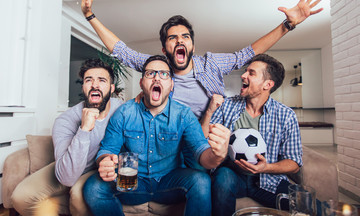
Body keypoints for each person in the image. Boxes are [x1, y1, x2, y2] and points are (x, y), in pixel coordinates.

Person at [76, 0, 325, 119]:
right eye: (173, 38)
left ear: (192, 45)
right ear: (165, 49)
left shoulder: (212, 63)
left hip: (208, 138)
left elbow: (248, 53)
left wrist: (287, 25)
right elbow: (121, 50)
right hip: (170, 138)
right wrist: (89, 15)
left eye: (185, 36)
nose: (180, 41)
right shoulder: (158, 69)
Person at [82, 55, 230, 216]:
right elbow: (108, 149)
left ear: (172, 85)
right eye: (150, 73)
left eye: (164, 74)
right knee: (93, 187)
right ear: (141, 83)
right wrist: (104, 161)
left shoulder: (183, 114)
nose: (157, 78)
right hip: (133, 183)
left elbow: (202, 153)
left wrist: (218, 155)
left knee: (201, 181)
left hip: (170, 183)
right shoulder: (124, 113)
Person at [11, 59, 123, 216]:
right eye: (88, 80)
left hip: (98, 168)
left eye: (102, 80)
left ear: (111, 88)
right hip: (70, 165)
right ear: (83, 87)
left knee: (79, 194)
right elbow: (67, 177)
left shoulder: (123, 109)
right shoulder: (66, 120)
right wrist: (84, 129)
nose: (95, 85)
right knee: (20, 197)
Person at [201, 54, 303, 216]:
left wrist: (266, 167)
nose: (243, 75)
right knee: (223, 176)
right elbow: (202, 140)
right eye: (245, 71)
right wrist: (209, 111)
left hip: (269, 180)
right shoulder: (227, 106)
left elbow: (294, 162)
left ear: (267, 84)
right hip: (232, 176)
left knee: (309, 204)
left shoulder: (286, 115)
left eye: (251, 73)